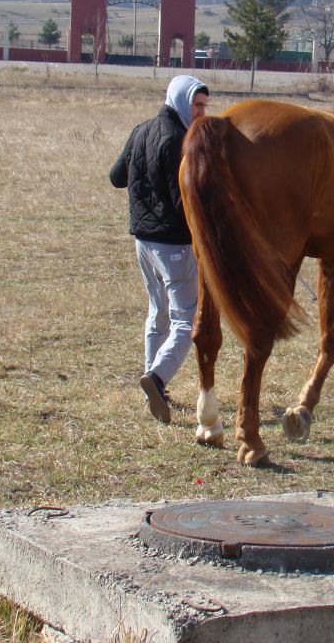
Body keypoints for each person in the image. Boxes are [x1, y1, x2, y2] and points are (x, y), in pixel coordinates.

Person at [109, 75, 209, 423]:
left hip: (142, 240)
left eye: (204, 106)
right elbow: (183, 203)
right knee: (186, 321)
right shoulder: (179, 141)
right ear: (182, 102)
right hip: (173, 246)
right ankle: (156, 378)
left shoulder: (140, 130)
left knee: (158, 312)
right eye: (197, 105)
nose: (201, 113)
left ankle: (155, 385)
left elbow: (117, 176)